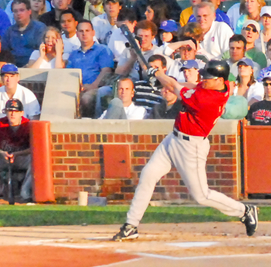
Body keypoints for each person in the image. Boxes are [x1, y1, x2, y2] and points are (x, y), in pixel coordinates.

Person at [111, 60, 259, 241]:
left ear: (220, 80)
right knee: (148, 175)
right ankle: (131, 225)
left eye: (209, 78)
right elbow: (192, 85)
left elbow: (175, 86)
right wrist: (159, 78)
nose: (204, 80)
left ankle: (244, 211)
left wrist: (157, 74)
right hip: (173, 139)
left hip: (191, 147)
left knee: (201, 196)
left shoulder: (206, 100)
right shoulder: (223, 86)